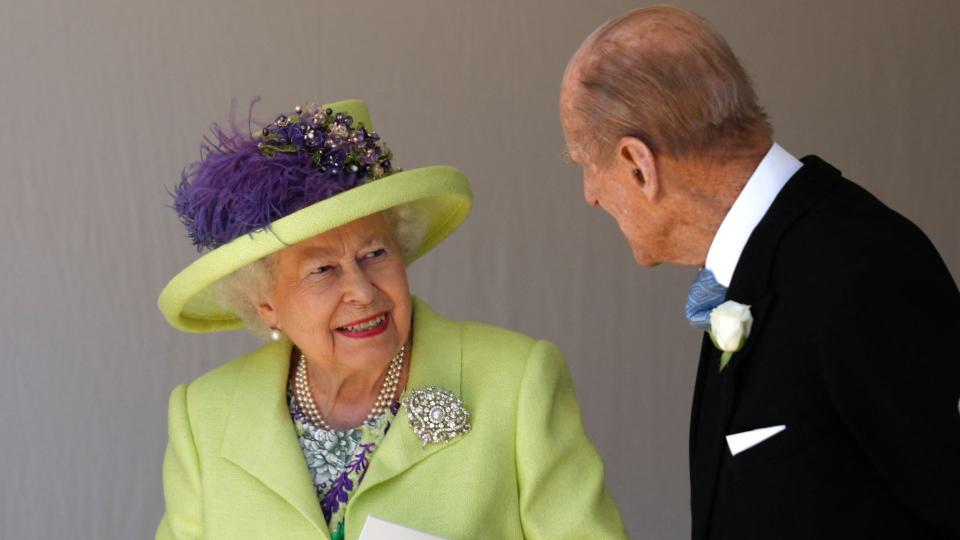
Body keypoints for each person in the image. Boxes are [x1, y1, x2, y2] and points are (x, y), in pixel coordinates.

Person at [560, 5, 960, 539]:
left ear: (639, 164)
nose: (589, 195)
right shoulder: (765, 264)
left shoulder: (860, 269)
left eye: (587, 165)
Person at [155, 99, 626, 539]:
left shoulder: (516, 381)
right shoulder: (204, 415)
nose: (361, 291)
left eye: (375, 253)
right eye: (322, 270)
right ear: (265, 304)